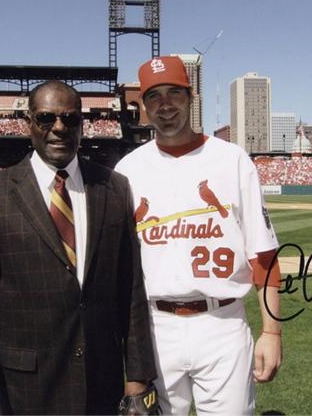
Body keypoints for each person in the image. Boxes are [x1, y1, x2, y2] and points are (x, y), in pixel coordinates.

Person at [0, 80, 156, 415]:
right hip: (27, 392)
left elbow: (130, 291)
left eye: (71, 119)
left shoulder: (115, 188)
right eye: (47, 118)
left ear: (82, 124)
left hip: (103, 387)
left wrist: (137, 377)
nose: (59, 128)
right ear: (29, 123)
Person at [115, 56, 283, 415]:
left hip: (222, 324)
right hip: (154, 328)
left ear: (191, 97)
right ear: (144, 106)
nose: (165, 105)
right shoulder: (127, 170)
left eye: (174, 93)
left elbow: (264, 256)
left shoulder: (232, 160)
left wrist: (272, 332)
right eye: (154, 96)